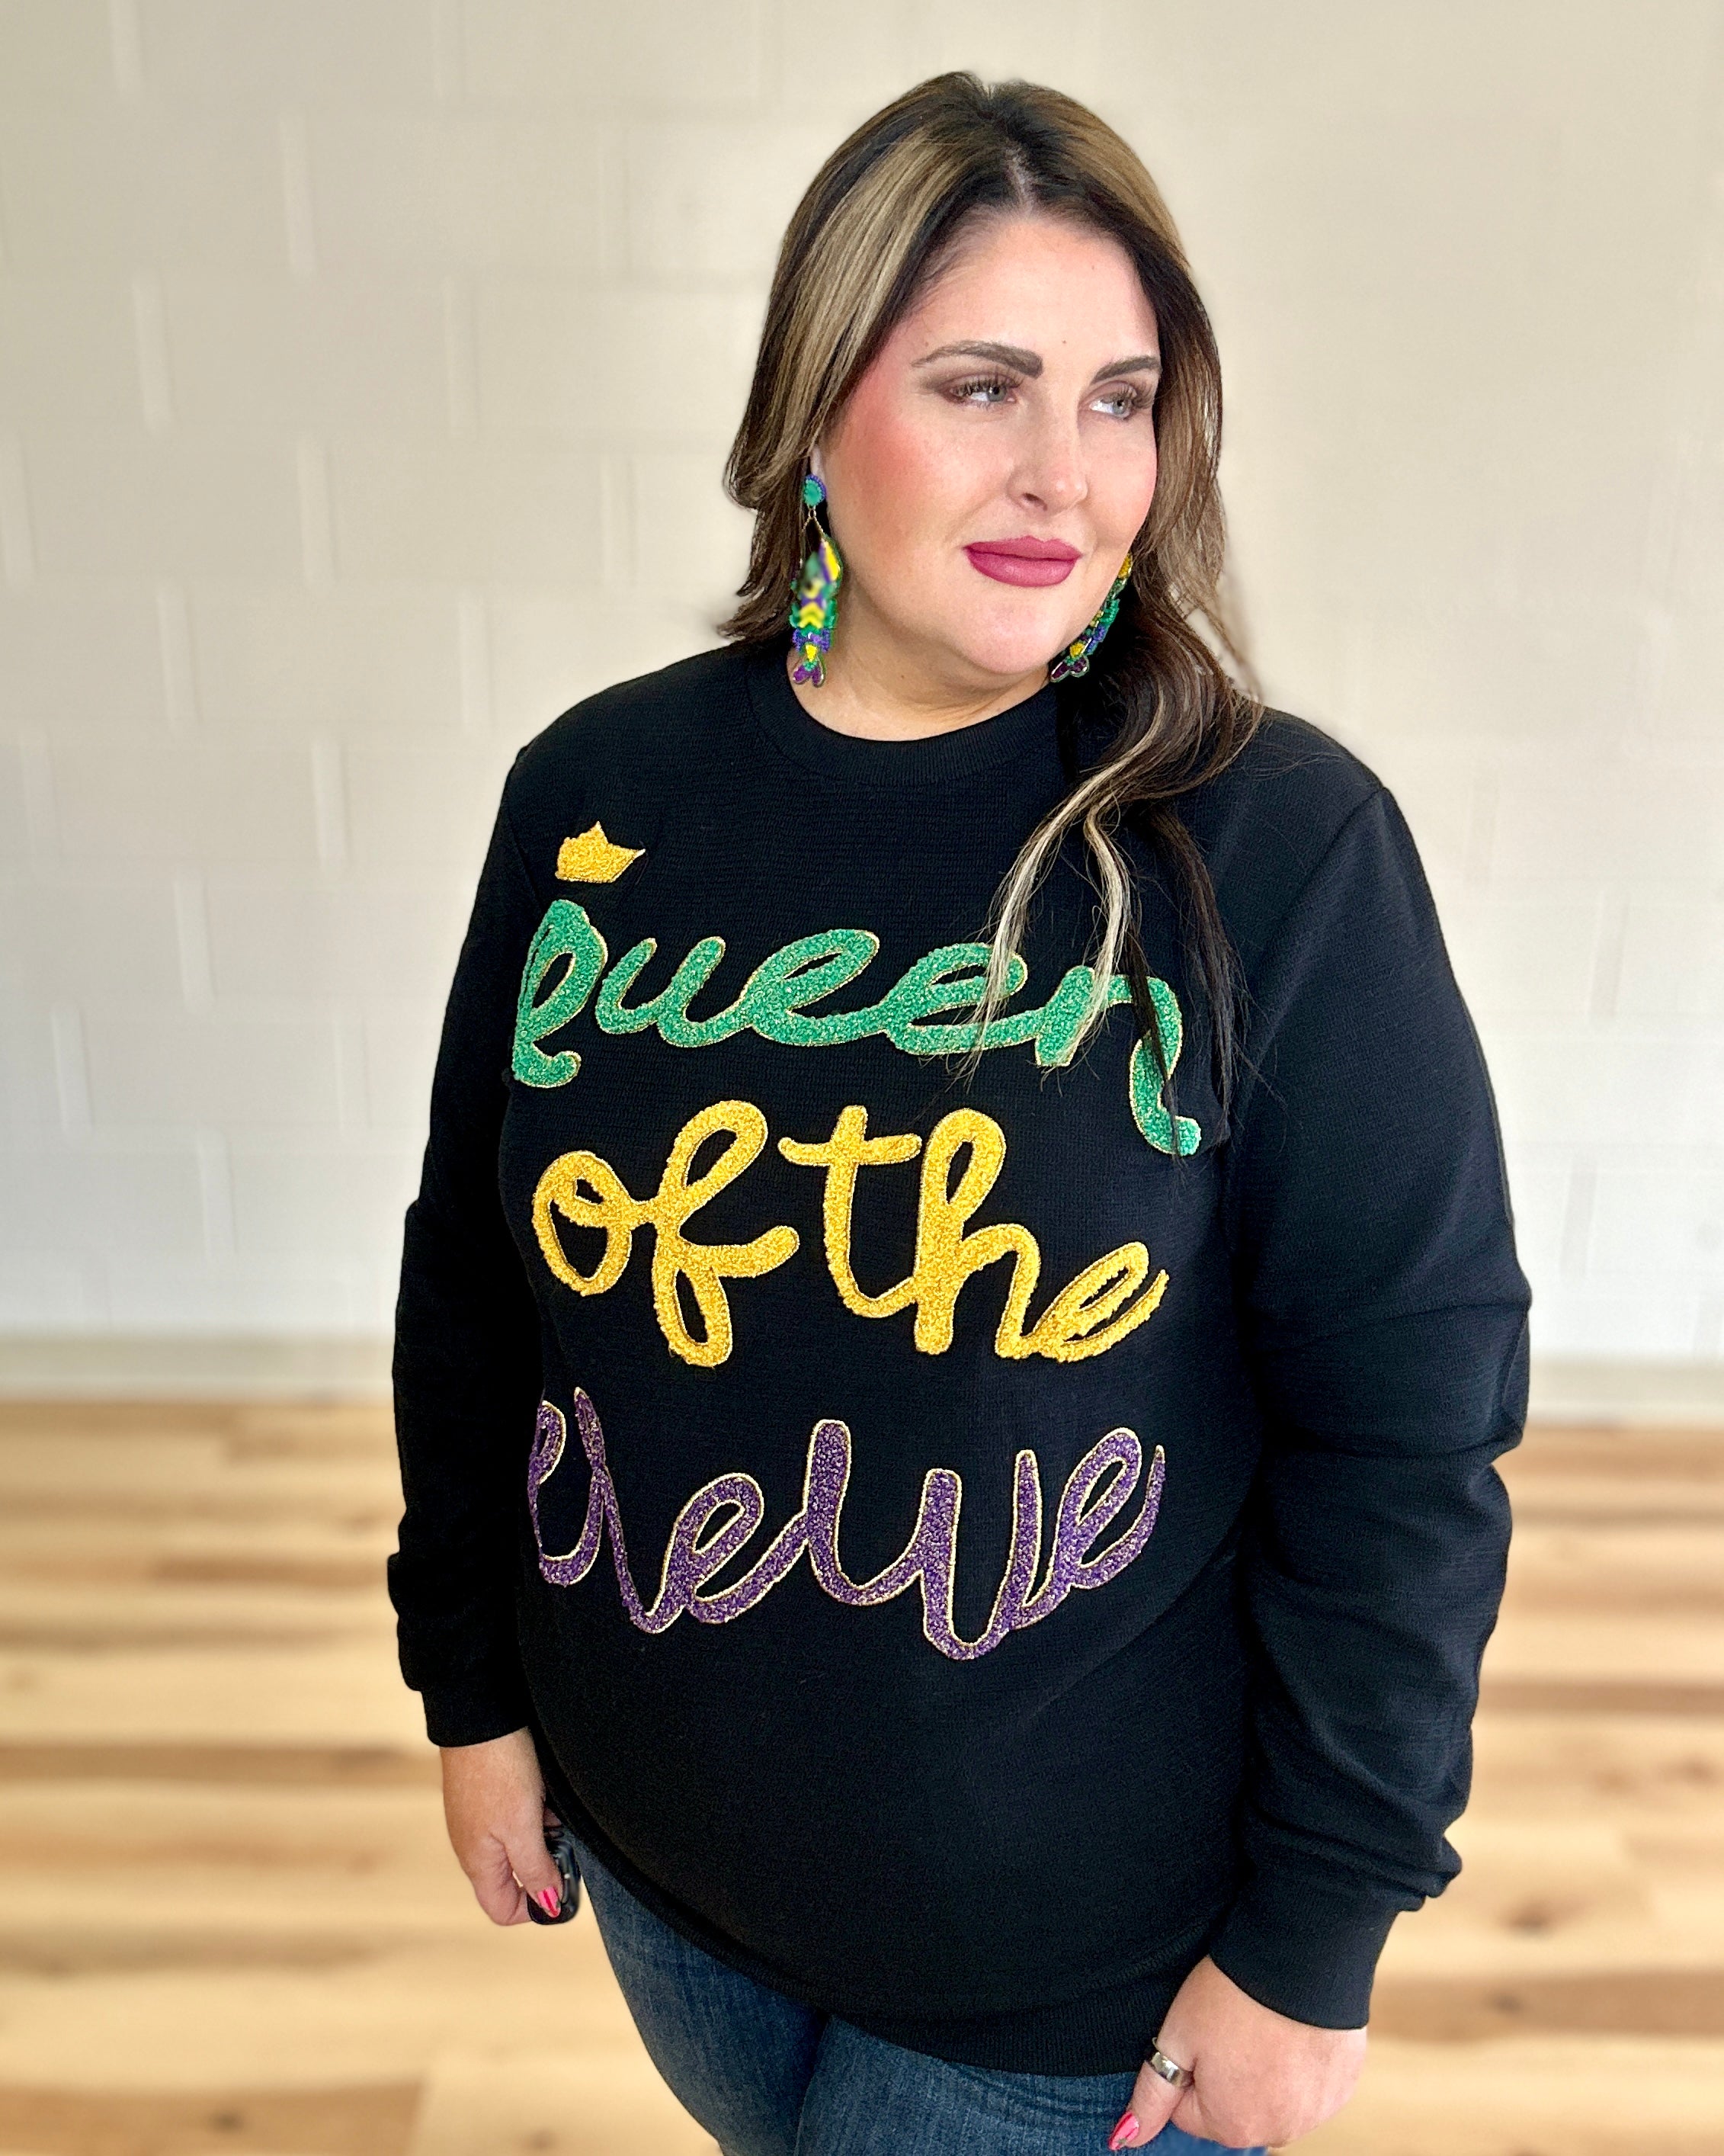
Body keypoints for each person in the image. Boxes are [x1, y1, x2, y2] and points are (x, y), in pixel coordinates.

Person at [389, 72, 1531, 2156]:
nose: (1063, 475)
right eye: (983, 387)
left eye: (1121, 400)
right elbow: (478, 1278)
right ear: (813, 414)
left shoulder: (1271, 846)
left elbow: (1406, 1431)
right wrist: (468, 1684)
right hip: (665, 1885)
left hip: (1074, 1989)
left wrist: (1318, 1931)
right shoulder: (598, 796)